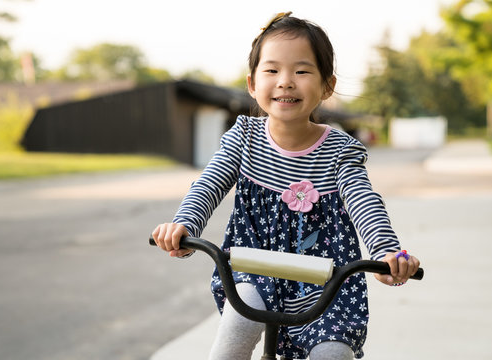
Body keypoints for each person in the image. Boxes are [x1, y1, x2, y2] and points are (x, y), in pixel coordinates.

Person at [152, 12, 420, 360]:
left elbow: (364, 202)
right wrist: (184, 224)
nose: (286, 81)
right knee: (234, 331)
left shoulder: (340, 151)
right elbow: (209, 184)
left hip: (326, 281)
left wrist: (387, 252)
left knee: (333, 354)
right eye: (272, 70)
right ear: (252, 83)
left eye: (302, 70)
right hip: (253, 269)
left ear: (328, 85)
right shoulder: (243, 138)